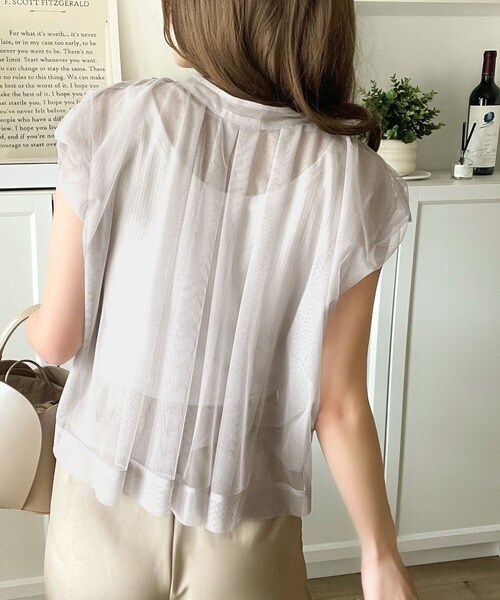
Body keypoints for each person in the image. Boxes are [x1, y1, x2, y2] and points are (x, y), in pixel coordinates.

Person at [26, 1, 419, 599]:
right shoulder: (356, 183)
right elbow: (338, 406)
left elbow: (56, 339)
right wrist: (380, 554)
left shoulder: (111, 120)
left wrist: (34, 318)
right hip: (243, 518)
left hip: (101, 502)